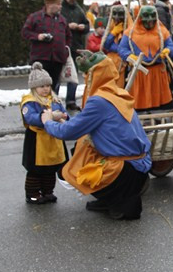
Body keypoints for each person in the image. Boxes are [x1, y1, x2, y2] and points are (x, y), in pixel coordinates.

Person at [42, 53, 152, 220]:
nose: (86, 79)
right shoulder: (118, 93)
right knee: (82, 145)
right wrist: (65, 119)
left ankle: (118, 200)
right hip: (139, 165)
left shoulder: (100, 100)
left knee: (70, 170)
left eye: (88, 75)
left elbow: (67, 132)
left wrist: (47, 122)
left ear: (96, 75)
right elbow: (88, 125)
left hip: (126, 169)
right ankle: (111, 199)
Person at [20, 62, 68, 205]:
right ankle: (33, 193)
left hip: (53, 136)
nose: (45, 89)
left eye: (47, 85)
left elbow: (63, 112)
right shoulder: (29, 102)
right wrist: (49, 116)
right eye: (42, 86)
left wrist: (64, 117)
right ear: (34, 87)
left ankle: (48, 191)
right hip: (37, 139)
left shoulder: (54, 99)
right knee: (36, 169)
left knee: (51, 167)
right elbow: (31, 118)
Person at [119, 4, 173, 112]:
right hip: (138, 73)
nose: (149, 21)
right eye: (146, 17)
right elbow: (122, 48)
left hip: (158, 73)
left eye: (152, 18)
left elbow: (171, 45)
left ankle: (160, 122)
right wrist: (129, 56)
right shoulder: (130, 33)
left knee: (161, 105)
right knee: (137, 104)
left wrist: (168, 50)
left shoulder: (162, 31)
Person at [21, 0, 72, 93]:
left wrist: (65, 51)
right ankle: (39, 107)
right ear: (49, 4)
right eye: (57, 4)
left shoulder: (62, 19)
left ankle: (52, 107)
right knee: (39, 87)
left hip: (57, 59)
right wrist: (38, 36)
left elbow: (68, 36)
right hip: (41, 58)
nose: (60, 6)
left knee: (54, 88)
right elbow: (25, 32)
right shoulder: (35, 17)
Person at [61, 0, 91, 110]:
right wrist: (68, 26)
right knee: (59, 74)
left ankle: (71, 101)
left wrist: (82, 27)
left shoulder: (79, 10)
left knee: (73, 75)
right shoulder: (60, 9)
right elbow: (56, 25)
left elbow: (87, 25)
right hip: (62, 45)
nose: (72, 0)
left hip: (76, 45)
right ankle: (54, 100)